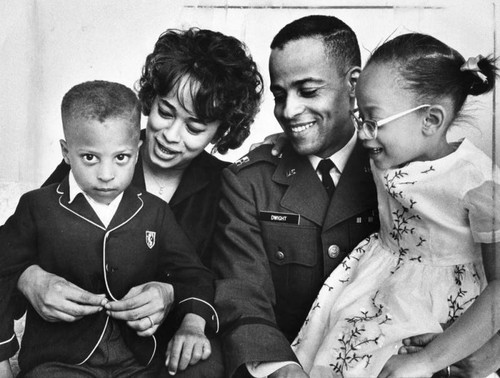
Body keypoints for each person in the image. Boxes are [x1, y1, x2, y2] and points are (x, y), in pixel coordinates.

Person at [10, 28, 263, 377]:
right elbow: (27, 237)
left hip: (166, 345)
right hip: (75, 348)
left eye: (195, 127)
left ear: (220, 132)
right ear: (150, 100)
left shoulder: (227, 184)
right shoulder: (100, 154)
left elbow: (219, 277)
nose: (171, 136)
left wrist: (174, 297)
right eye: (166, 112)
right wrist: (30, 279)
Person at [290, 33, 499, 377]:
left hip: (443, 305)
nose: (364, 134)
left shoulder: (477, 182)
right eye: (361, 118)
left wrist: (427, 360)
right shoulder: (389, 149)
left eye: (373, 120)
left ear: (430, 120)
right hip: (376, 283)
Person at [0, 80, 218, 377]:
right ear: (66, 152)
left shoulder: (155, 211)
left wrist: (192, 320)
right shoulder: (37, 207)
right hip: (59, 362)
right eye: (90, 157)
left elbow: (193, 274)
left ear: (137, 151)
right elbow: (3, 267)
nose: (106, 175)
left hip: (139, 361)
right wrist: (3, 353)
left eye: (121, 158)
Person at [211, 15, 379, 377]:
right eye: (280, 95)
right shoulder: (249, 182)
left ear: (353, 84)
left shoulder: (393, 167)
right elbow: (242, 294)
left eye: (308, 90)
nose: (288, 111)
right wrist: (280, 367)